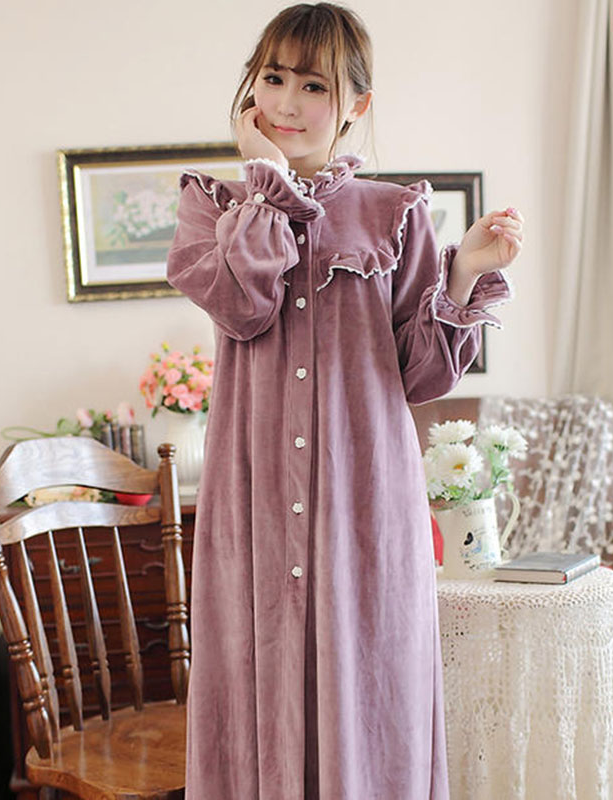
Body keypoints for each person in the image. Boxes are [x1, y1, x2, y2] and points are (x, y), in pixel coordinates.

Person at [166, 4, 523, 798]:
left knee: (373, 697)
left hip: (366, 507)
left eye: (314, 86)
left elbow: (421, 376)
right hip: (253, 506)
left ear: (356, 104)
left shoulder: (395, 214)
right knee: (254, 687)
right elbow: (244, 307)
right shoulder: (213, 207)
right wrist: (267, 183)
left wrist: (464, 271)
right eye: (274, 79)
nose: (287, 103)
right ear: (250, 89)